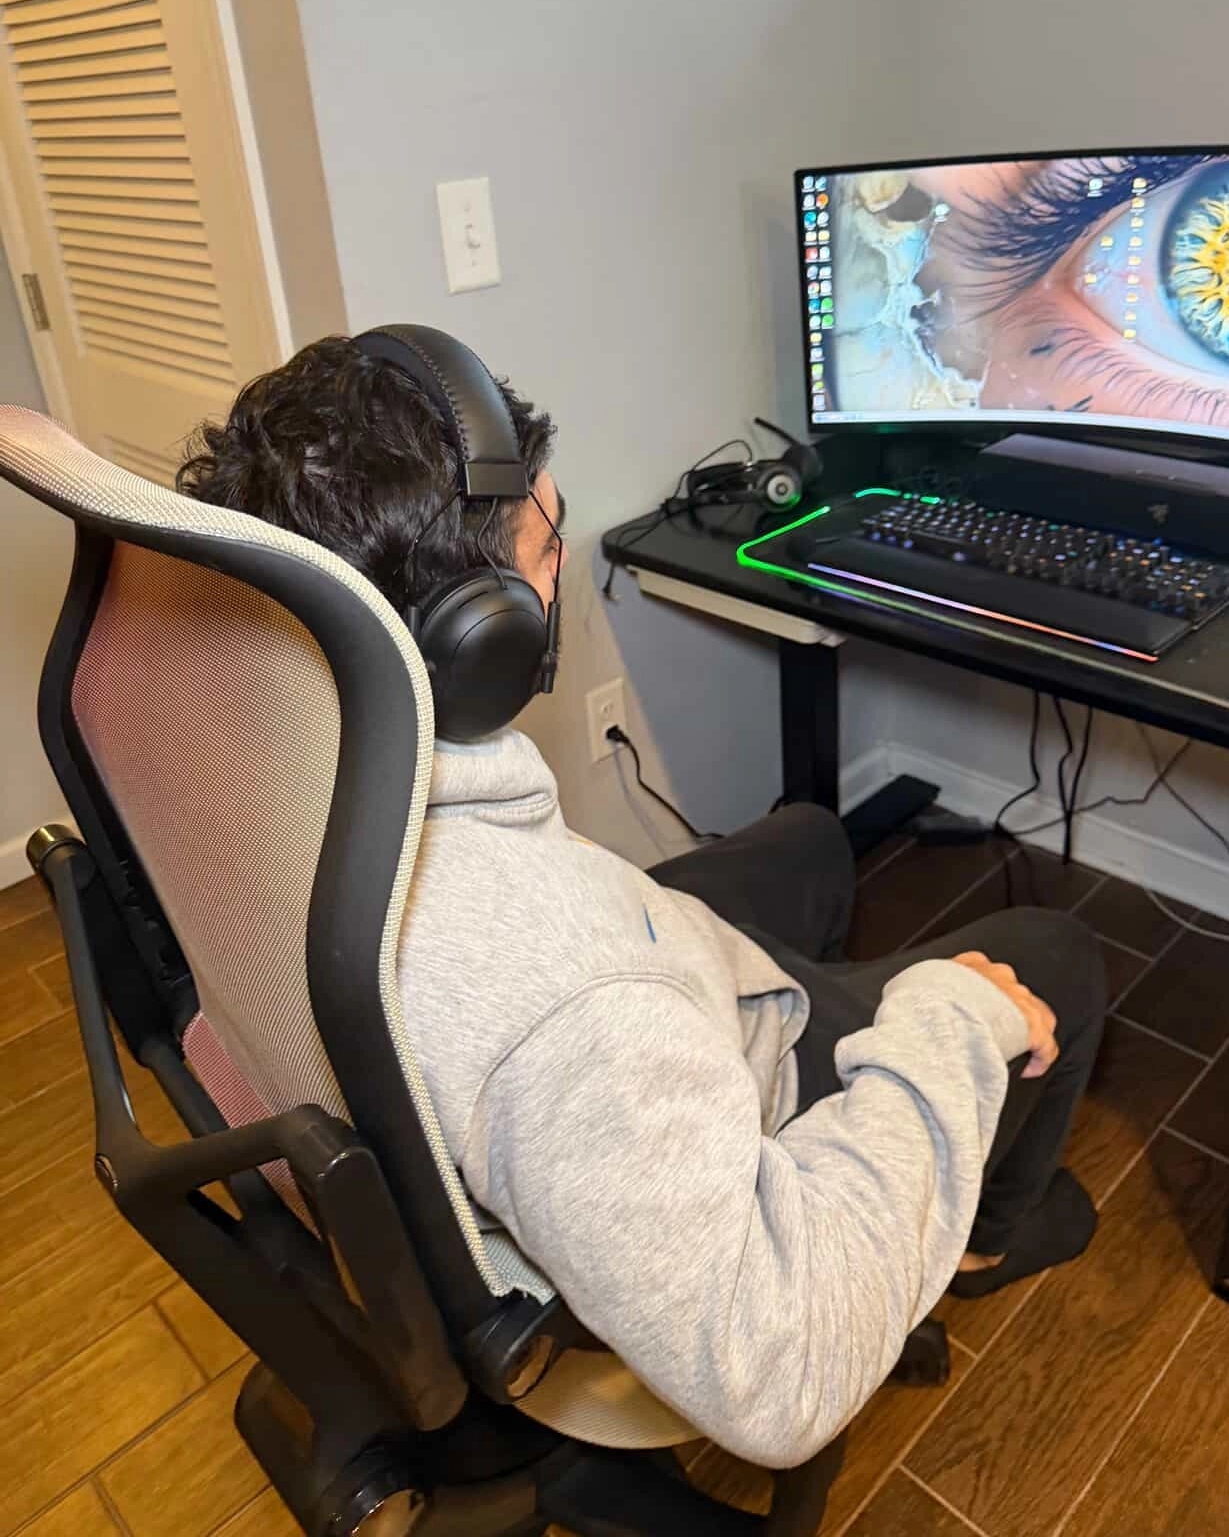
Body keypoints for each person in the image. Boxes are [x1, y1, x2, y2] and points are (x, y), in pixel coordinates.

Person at [178, 334, 1106, 1470]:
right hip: (608, 1020)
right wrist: (950, 1017)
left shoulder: (240, 746)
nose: (559, 565)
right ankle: (977, 1242)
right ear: (475, 634)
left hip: (578, 979)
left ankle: (841, 1028)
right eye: (543, 539)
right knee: (1046, 954)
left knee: (811, 838)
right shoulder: (576, 1011)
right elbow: (778, 1372)